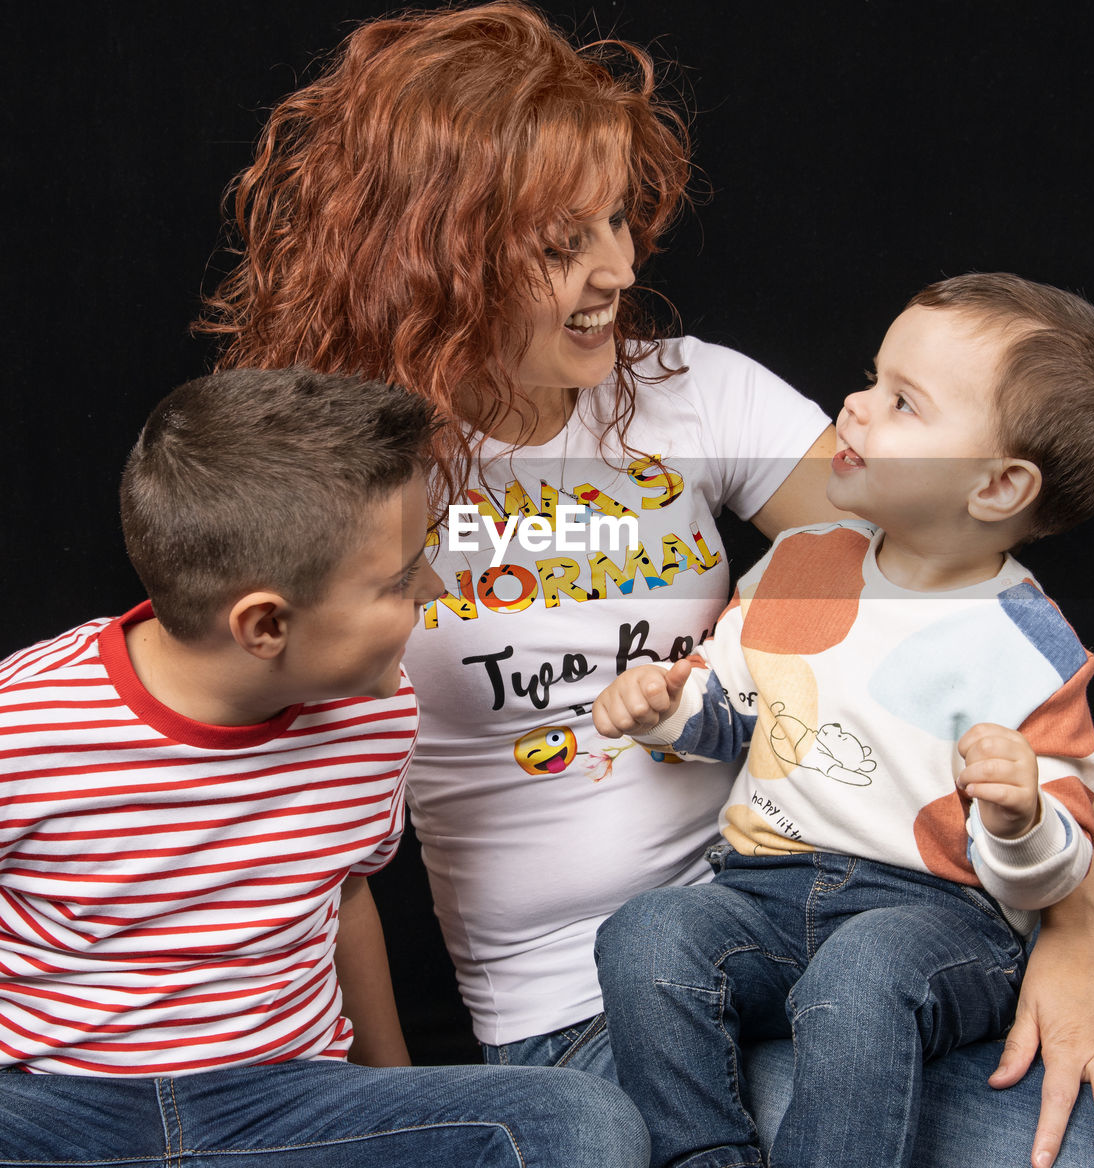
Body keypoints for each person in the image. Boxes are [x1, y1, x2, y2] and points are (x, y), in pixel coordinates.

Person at [197, 0, 1094, 1168]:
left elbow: (962, 592)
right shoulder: (349, 484)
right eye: (562, 243)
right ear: (433, 253)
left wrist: (1087, 920)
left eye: (612, 219)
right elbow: (295, 834)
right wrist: (389, 1106)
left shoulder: (693, 394)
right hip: (596, 1000)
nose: (619, 265)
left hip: (846, 909)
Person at [0, 367, 652, 1168]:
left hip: (284, 1101)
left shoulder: (376, 713)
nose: (436, 585)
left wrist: (398, 1097)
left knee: (580, 1122)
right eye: (398, 579)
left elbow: (345, 892)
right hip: (56, 1105)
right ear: (265, 624)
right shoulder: (25, 722)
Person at [591, 273, 1094, 1167]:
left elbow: (1054, 872)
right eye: (870, 378)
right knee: (646, 932)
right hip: (763, 893)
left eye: (901, 402)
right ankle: (704, 1156)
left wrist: (1020, 817)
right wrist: (665, 707)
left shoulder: (1029, 648)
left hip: (939, 919)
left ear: (997, 486)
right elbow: (734, 715)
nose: (852, 405)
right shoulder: (799, 562)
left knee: (865, 968)